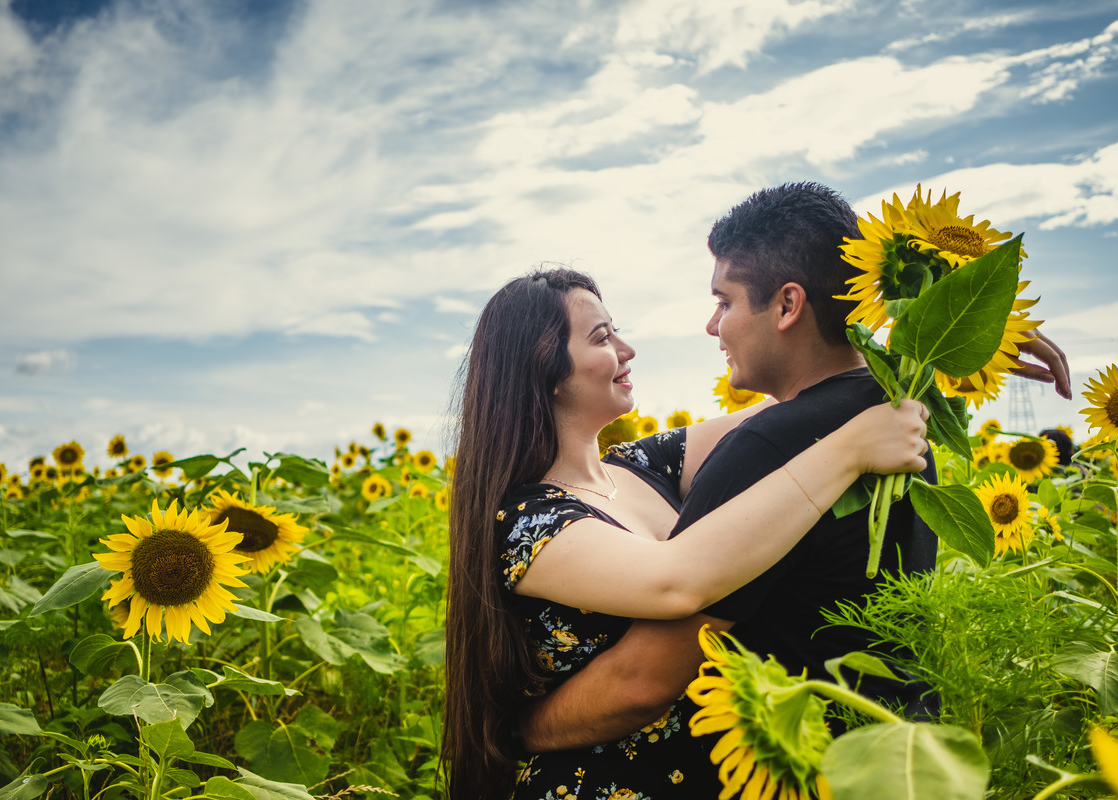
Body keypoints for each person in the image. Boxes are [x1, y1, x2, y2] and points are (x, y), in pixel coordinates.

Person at [517, 183, 1074, 791]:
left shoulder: (773, 448)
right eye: (601, 337)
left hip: (798, 763)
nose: (711, 325)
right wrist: (949, 342)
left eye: (723, 301)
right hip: (884, 750)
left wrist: (512, 731)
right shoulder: (895, 411)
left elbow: (644, 679)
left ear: (787, 306)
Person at [441, 266, 932, 799]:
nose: (627, 350)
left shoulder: (640, 463)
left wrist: (942, 339)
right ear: (547, 369)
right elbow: (677, 582)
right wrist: (851, 450)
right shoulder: (527, 521)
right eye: (603, 337)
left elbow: (809, 396)